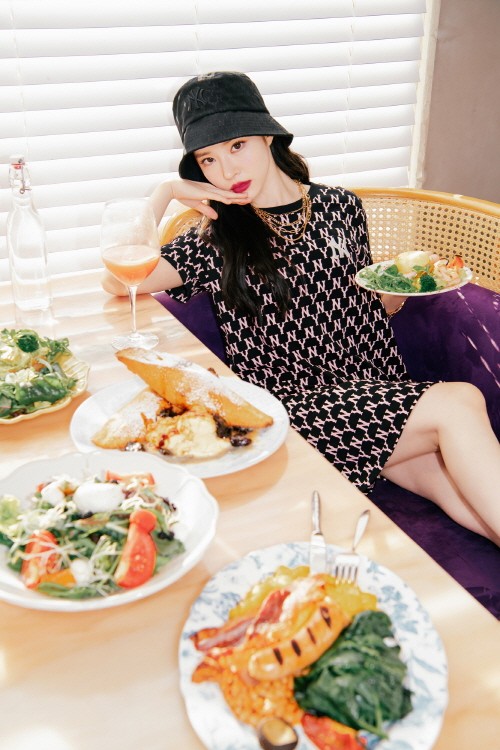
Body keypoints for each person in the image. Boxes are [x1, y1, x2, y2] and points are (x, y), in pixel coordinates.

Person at [102, 71, 500, 543]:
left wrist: (397, 291)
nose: (226, 171)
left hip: (375, 395)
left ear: (267, 136)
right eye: (208, 158)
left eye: (236, 146)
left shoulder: (342, 207)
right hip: (293, 412)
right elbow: (118, 279)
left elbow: (361, 302)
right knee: (459, 402)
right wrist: (165, 193)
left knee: (458, 487)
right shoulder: (216, 237)